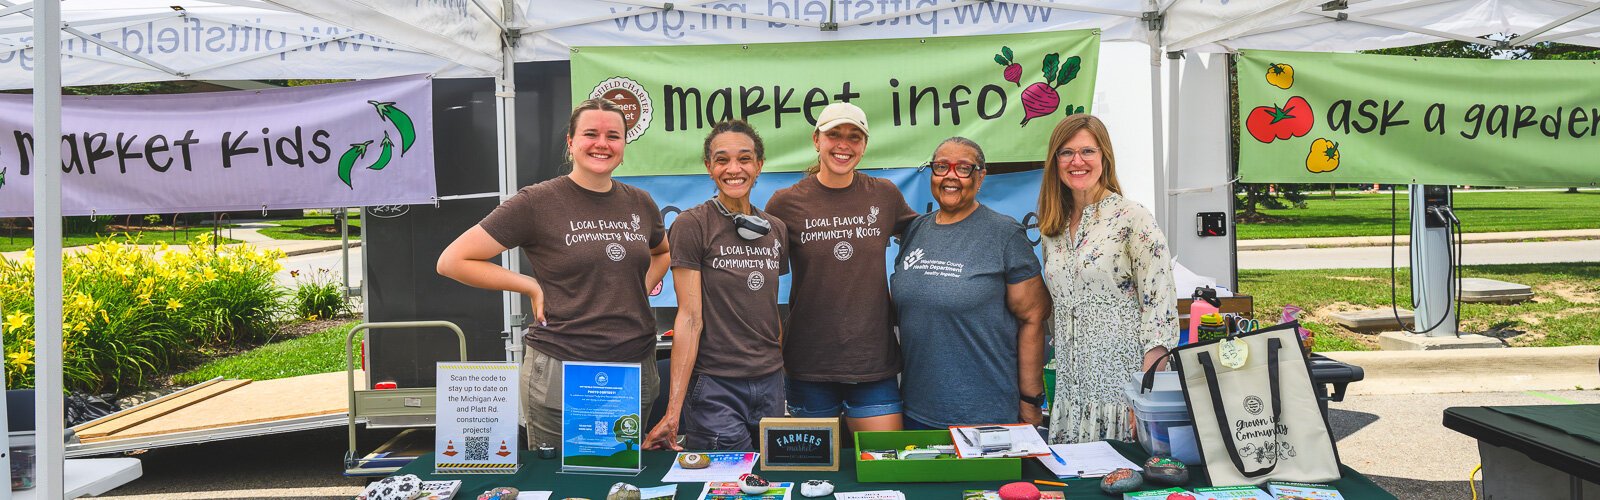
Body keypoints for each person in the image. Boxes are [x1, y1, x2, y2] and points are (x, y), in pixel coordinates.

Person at [435, 98, 669, 451]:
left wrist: (641, 286)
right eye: (590, 134)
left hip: (632, 368)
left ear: (624, 144)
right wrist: (528, 284)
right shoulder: (537, 202)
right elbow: (453, 260)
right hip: (562, 369)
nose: (602, 144)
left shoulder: (640, 202)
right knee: (560, 484)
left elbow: (662, 252)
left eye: (613, 136)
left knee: (622, 479)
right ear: (571, 142)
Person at [765, 102, 917, 432]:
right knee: (813, 476)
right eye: (834, 135)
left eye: (854, 137)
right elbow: (760, 279)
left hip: (872, 362)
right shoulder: (784, 202)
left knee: (882, 465)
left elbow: (927, 236)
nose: (843, 145)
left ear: (864, 146)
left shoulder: (884, 195)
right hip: (808, 363)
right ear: (816, 140)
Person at [642, 120, 788, 451]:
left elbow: (769, 310)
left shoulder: (776, 229)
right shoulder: (692, 225)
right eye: (722, 160)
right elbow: (689, 319)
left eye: (745, 158)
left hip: (770, 383)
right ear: (709, 168)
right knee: (723, 485)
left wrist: (781, 380)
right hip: (716, 387)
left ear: (759, 165)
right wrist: (673, 413)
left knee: (772, 481)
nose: (733, 169)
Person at [891, 137, 1051, 429]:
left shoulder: (1004, 234)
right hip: (916, 411)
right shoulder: (915, 230)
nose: (950, 175)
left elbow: (1033, 318)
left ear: (980, 177)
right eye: (941, 166)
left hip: (987, 415)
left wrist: (1030, 400)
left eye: (963, 168)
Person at [1037, 114, 1178, 444]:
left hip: (1123, 392)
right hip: (1071, 394)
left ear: (1104, 157)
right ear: (1055, 161)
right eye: (1066, 152)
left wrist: (1148, 395)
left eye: (1087, 151)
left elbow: (1161, 306)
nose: (1077, 161)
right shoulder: (1052, 230)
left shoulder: (1132, 217)